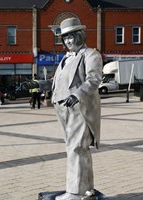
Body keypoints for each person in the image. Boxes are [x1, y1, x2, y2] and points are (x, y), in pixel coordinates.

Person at [51, 17, 103, 200]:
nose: (68, 42)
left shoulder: (90, 54)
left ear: (80, 36)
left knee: (76, 149)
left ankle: (75, 192)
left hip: (79, 109)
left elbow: (94, 79)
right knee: (76, 148)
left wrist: (77, 95)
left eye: (71, 37)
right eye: (65, 38)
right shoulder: (66, 58)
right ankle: (86, 189)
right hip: (63, 109)